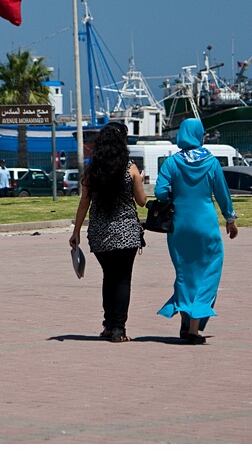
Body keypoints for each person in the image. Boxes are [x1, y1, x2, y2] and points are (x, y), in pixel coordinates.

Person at [154, 118, 238, 345]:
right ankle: (193, 329)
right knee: (209, 273)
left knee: (184, 273)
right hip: (206, 225)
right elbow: (222, 194)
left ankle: (184, 320)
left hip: (180, 226)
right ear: (200, 135)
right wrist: (230, 220)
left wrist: (175, 196)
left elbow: (160, 192)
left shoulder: (171, 162)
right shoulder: (211, 163)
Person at [69, 122, 147, 343]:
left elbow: (84, 202)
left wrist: (76, 232)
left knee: (109, 277)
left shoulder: (92, 171)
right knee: (123, 280)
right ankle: (118, 329)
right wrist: (140, 179)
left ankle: (108, 324)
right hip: (126, 233)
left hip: (100, 233)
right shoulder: (130, 169)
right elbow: (142, 202)